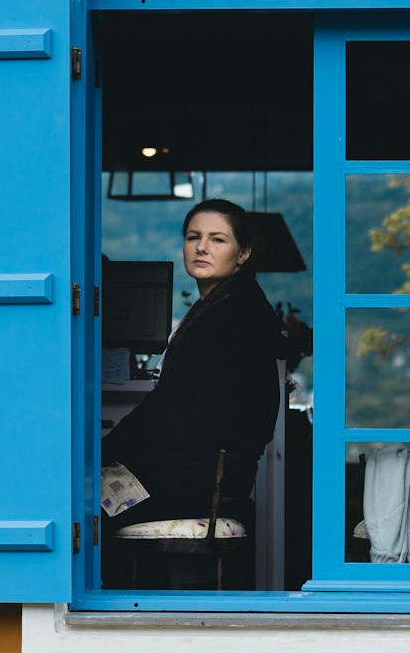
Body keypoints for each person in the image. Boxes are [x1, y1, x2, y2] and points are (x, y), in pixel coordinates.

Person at [101, 199, 283, 535]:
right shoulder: (228, 304)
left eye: (218, 239)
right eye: (192, 237)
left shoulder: (228, 315)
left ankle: (121, 587)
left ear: (243, 253)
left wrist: (101, 450)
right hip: (205, 478)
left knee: (77, 499)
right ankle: (138, 582)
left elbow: (168, 408)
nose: (201, 247)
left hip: (191, 485)